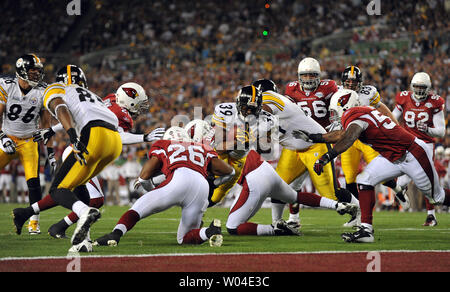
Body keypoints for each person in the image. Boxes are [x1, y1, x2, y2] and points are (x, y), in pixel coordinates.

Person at [294, 89, 450, 243]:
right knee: (364, 180)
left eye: (335, 111)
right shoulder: (361, 112)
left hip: (412, 154)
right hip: (393, 157)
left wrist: (326, 157)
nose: (334, 116)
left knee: (437, 198)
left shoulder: (353, 114)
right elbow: (341, 134)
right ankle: (366, 230)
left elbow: (348, 138)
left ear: (345, 105)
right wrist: (314, 137)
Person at [31, 81, 165, 238]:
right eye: (139, 104)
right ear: (129, 100)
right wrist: (144, 137)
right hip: (83, 152)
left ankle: (57, 226)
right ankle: (32, 215)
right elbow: (118, 137)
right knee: (70, 194)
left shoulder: (110, 100)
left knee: (89, 199)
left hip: (84, 149)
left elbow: (81, 114)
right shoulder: (122, 114)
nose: (141, 108)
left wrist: (52, 129)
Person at [12, 64, 122, 251]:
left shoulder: (58, 87)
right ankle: (84, 241)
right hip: (114, 141)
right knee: (79, 185)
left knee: (57, 189)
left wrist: (73, 137)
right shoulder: (93, 96)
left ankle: (85, 211)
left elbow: (59, 105)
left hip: (93, 135)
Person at [94, 126, 235, 247]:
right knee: (184, 238)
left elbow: (145, 174)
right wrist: (212, 184)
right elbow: (230, 172)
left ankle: (115, 234)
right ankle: (209, 231)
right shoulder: (202, 147)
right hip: (201, 186)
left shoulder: (164, 144)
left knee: (138, 208)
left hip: (178, 179)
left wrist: (148, 185)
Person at [251, 79, 359, 227]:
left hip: (314, 145)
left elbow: (264, 114)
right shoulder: (272, 101)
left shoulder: (268, 98)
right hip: (294, 149)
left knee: (331, 195)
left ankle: (360, 211)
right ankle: (277, 222)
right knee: (278, 185)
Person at [337, 66, 405, 215]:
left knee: (379, 171)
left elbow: (381, 108)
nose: (350, 84)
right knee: (349, 177)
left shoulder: (368, 93)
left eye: (353, 82)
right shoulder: (337, 93)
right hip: (348, 139)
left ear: (360, 82)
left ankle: (397, 189)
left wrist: (396, 125)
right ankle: (356, 214)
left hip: (367, 137)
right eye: (347, 81)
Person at [280, 57, 339, 226]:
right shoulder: (291, 89)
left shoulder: (329, 87)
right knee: (294, 184)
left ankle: (354, 208)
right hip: (302, 141)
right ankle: (293, 218)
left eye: (311, 75)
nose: (308, 79)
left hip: (322, 140)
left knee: (332, 187)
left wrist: (336, 121)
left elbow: (338, 104)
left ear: (318, 75)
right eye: (304, 76)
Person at [0, 54, 53, 234]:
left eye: (38, 71)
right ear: (22, 71)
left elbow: (46, 125)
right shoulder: (7, 86)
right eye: (33, 71)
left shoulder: (43, 90)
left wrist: (51, 152)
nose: (37, 75)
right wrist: (2, 137)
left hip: (29, 141)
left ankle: (33, 223)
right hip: (7, 138)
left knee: (33, 183)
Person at [392, 72, 446, 226]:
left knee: (427, 181)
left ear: (428, 88)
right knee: (400, 175)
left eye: (422, 87)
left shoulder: (435, 102)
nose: (419, 90)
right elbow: (393, 118)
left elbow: (441, 132)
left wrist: (427, 129)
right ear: (411, 86)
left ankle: (431, 215)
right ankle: (400, 190)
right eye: (416, 86)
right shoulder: (403, 98)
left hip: (426, 144)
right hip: (407, 142)